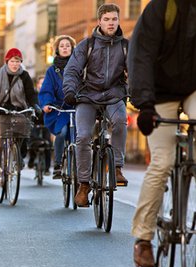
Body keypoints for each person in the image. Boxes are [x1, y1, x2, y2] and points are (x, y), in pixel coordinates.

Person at [128, 0, 196, 267]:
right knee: (162, 161)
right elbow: (140, 56)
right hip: (158, 93)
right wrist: (145, 104)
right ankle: (143, 238)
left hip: (192, 88)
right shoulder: (160, 8)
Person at [63, 3, 129, 207]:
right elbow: (72, 70)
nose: (111, 23)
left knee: (120, 121)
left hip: (113, 95)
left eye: (114, 19)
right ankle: (84, 184)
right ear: (99, 21)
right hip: (87, 97)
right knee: (83, 136)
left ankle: (117, 167)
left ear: (118, 21)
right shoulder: (87, 45)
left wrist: (138, 92)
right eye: (107, 19)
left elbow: (135, 71)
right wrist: (70, 91)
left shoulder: (126, 46)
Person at [0, 47, 41, 180]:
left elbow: (31, 94)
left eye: (17, 61)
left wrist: (35, 105)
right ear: (7, 61)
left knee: (24, 131)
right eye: (12, 61)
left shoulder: (24, 75)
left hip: (17, 111)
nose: (15, 64)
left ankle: (17, 155)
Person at [39, 35, 77, 179]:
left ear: (72, 48)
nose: (65, 48)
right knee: (62, 132)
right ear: (57, 49)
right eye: (62, 46)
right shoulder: (52, 70)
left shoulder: (80, 66)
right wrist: (47, 103)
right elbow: (47, 89)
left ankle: (83, 166)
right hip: (60, 109)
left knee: (82, 136)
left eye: (68, 45)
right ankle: (58, 164)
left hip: (77, 107)